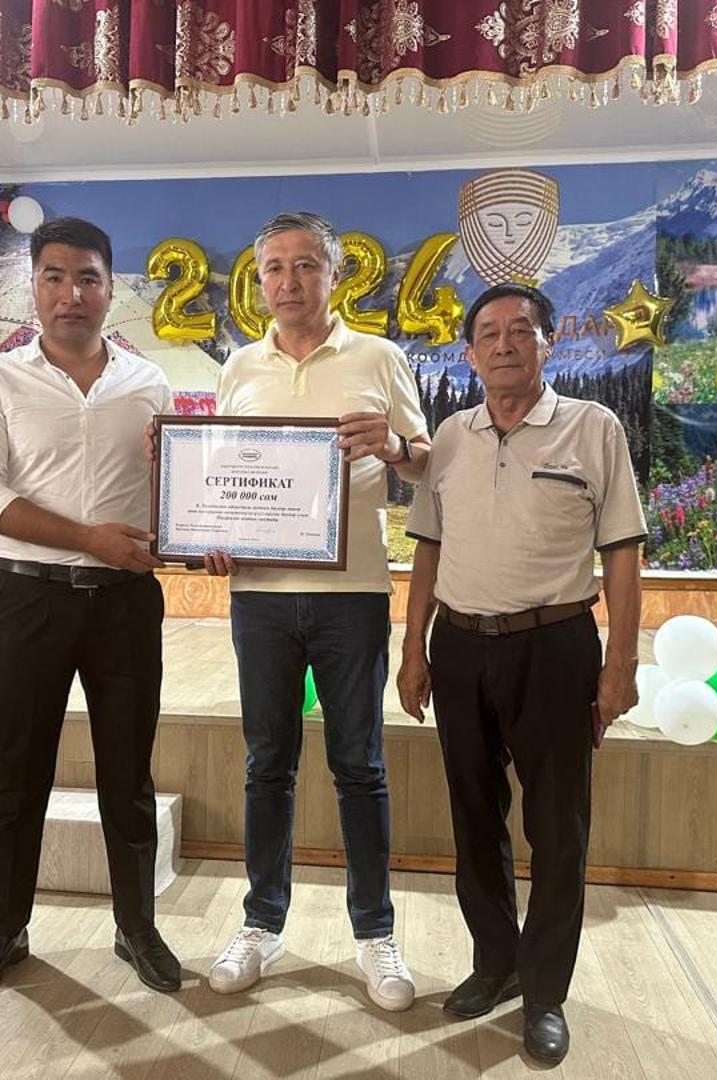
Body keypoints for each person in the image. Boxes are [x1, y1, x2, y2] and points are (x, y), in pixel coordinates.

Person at [396, 283, 645, 1064]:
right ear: (470, 353)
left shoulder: (593, 428)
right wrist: (413, 647)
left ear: (548, 342)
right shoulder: (451, 436)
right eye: (489, 334)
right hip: (460, 647)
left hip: (555, 646)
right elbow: (428, 548)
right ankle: (496, 963)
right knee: (474, 817)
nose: (504, 344)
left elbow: (623, 552)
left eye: (520, 331)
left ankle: (544, 993)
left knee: (558, 828)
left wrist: (621, 661)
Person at [202, 211, 432, 1012]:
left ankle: (375, 933)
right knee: (267, 764)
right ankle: (261, 923)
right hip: (258, 596)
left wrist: (394, 448)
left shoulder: (380, 357)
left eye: (305, 265)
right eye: (274, 267)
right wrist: (210, 534)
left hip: (354, 593)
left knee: (359, 766)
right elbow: (220, 477)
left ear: (336, 275)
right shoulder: (239, 367)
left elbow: (428, 462)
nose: (289, 281)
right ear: (258, 281)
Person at [0, 216, 181, 1002]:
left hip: (125, 605)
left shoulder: (149, 384)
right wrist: (88, 539)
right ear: (34, 288)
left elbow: (174, 493)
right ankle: (3, 931)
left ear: (110, 290)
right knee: (18, 776)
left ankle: (137, 928)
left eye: (87, 278)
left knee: (129, 776)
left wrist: (196, 522)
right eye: (54, 277)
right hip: (29, 599)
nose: (70, 293)